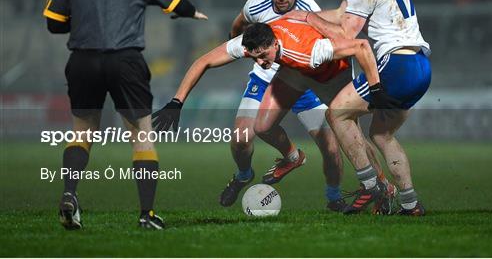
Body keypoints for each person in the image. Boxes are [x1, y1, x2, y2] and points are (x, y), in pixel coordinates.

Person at [44, 0, 208, 230]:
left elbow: (53, 22)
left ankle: (69, 193)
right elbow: (176, 2)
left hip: (83, 60)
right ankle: (146, 215)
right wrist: (191, 12)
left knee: (82, 131)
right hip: (126, 60)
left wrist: (80, 22)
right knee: (142, 136)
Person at [152, 17, 400, 214]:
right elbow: (203, 61)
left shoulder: (309, 51)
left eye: (263, 56)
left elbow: (359, 46)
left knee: (345, 129)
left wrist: (375, 87)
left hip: (329, 74)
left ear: (274, 44)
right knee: (262, 126)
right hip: (294, 72)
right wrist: (176, 102)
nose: (259, 63)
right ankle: (292, 157)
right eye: (254, 57)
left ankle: (382, 187)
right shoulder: (256, 40)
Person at [286, 0, 431, 216]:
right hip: (421, 66)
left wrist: (308, 18)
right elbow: (344, 18)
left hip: (397, 64)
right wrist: (311, 18)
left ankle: (370, 184)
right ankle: (411, 204)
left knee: (337, 114)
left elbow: (345, 36)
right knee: (381, 134)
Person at [225, 0, 344, 211]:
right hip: (264, 77)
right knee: (240, 138)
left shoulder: (309, 6)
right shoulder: (255, 5)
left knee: (331, 149)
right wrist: (242, 47)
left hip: (300, 79)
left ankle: (334, 197)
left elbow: (325, 40)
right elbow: (238, 25)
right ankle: (246, 173)